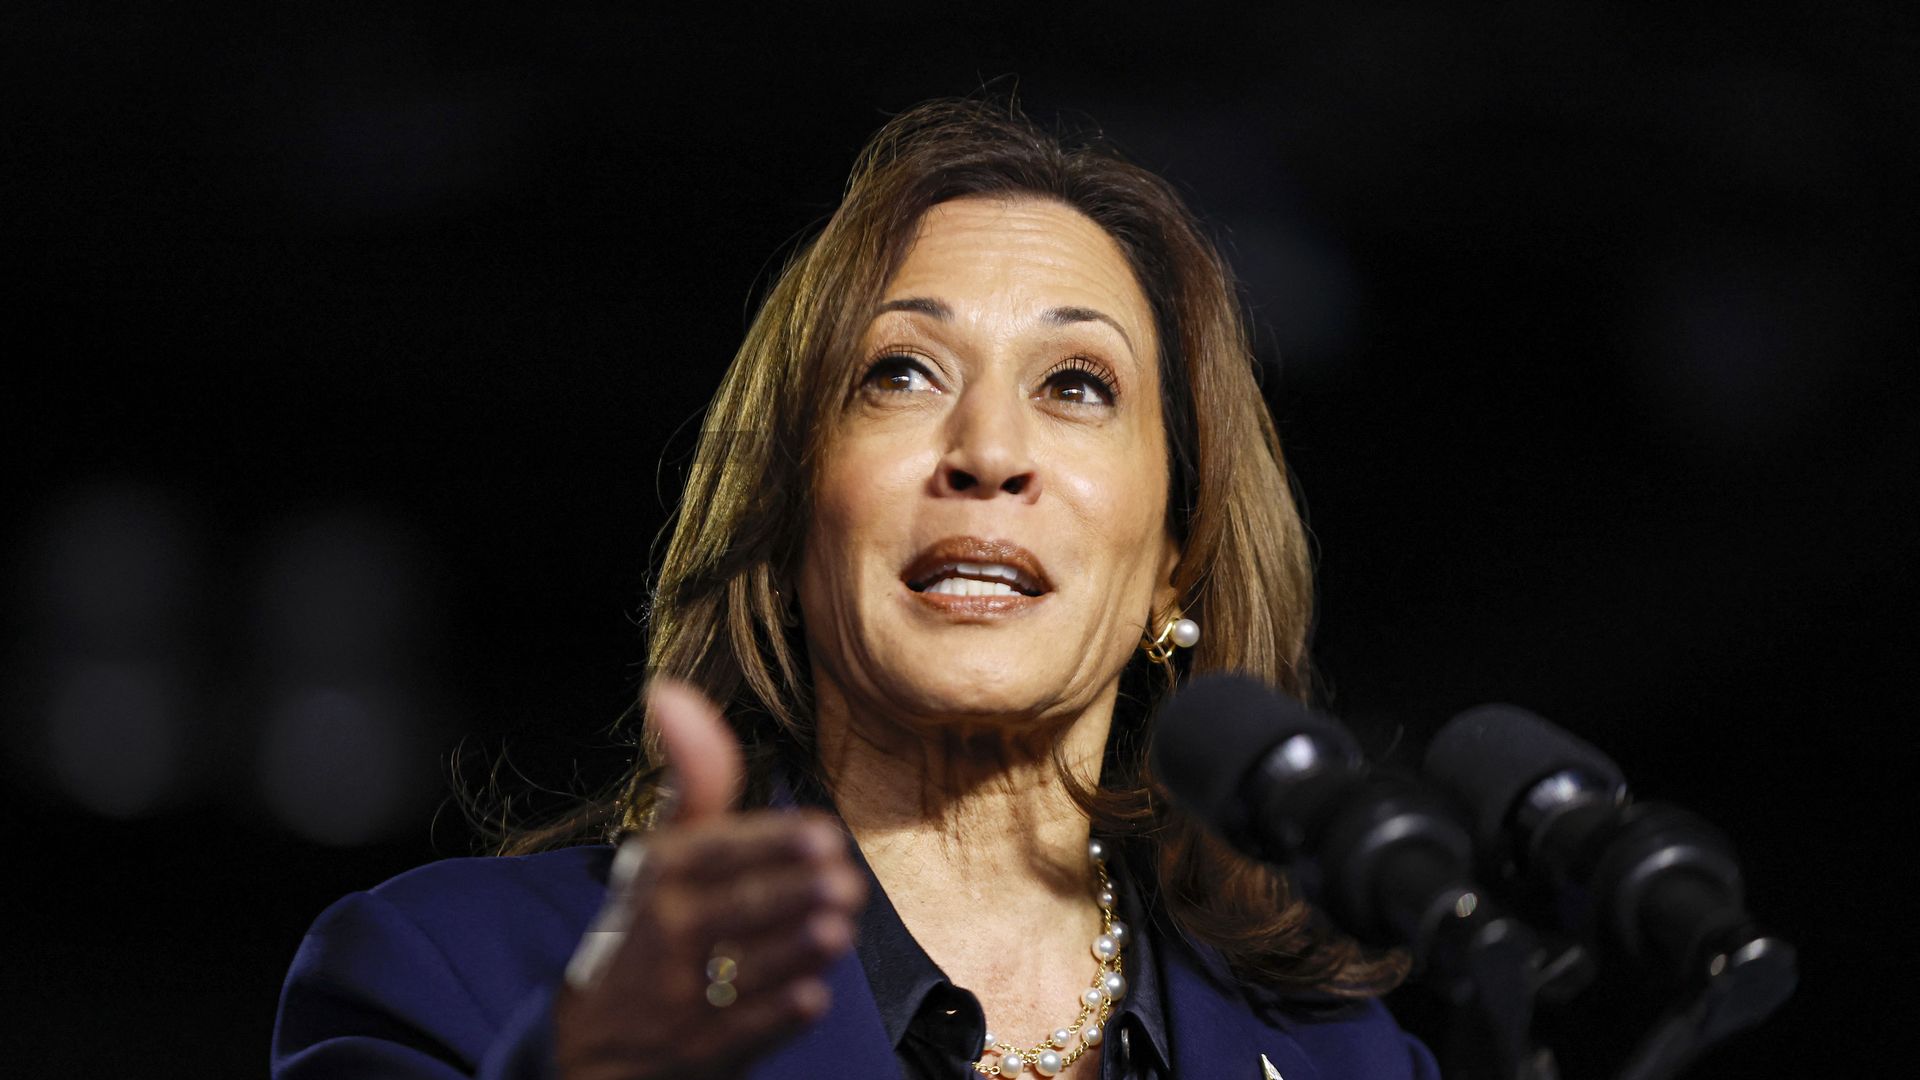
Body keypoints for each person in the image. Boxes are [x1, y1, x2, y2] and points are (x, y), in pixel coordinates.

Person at [272, 98, 1440, 1080]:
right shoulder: (449, 973)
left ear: (1175, 558)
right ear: (789, 517)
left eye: (1077, 385)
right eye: (902, 372)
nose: (988, 449)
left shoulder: (1357, 1061)